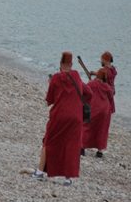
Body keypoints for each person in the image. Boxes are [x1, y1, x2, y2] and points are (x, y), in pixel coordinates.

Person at [33, 51, 92, 186]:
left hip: (59, 116)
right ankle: (68, 178)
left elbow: (50, 99)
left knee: (48, 141)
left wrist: (51, 84)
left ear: (60, 64)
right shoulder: (76, 76)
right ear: (71, 64)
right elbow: (89, 93)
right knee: (71, 145)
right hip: (75, 118)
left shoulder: (55, 78)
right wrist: (78, 104)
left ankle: (40, 172)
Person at [82, 68, 115, 158]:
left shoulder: (92, 83)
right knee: (102, 129)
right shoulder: (106, 86)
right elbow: (111, 96)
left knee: (86, 126)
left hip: (94, 108)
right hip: (105, 110)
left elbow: (85, 91)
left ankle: (82, 147)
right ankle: (100, 151)